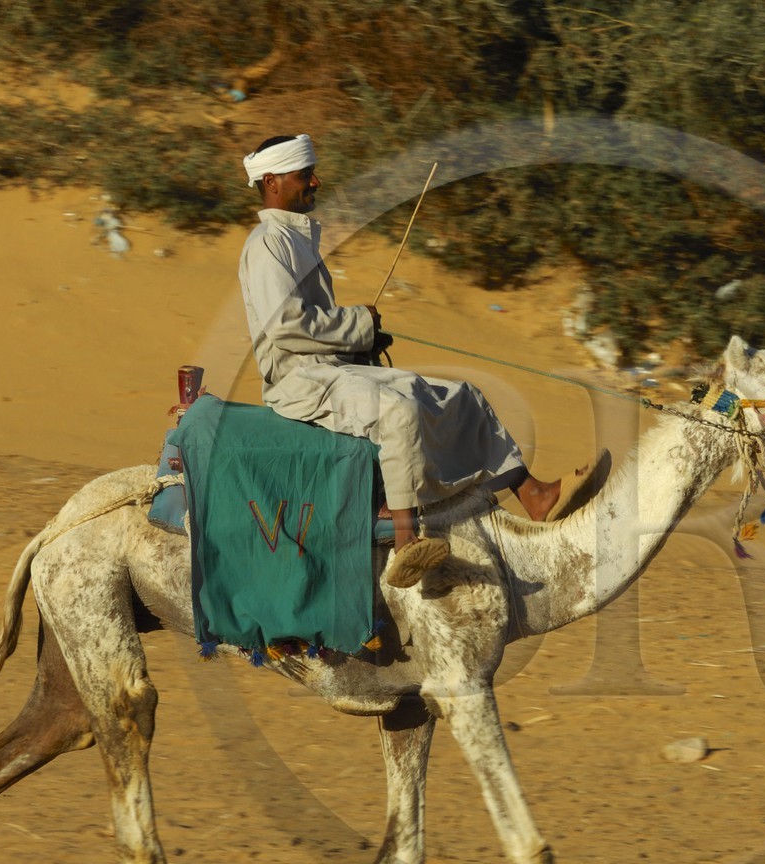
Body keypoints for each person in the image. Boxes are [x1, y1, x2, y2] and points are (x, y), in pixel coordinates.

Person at [237, 133, 605, 588]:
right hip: (298, 382)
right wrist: (358, 323)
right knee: (401, 411)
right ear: (272, 181)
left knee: (462, 395)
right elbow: (286, 326)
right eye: (303, 175)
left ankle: (533, 494)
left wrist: (361, 339)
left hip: (333, 369)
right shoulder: (267, 244)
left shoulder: (298, 239)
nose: (315, 180)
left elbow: (315, 325)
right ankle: (406, 542)